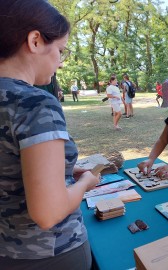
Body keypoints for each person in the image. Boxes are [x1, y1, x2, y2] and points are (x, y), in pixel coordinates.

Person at [0, 1, 101, 269]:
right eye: (60, 50)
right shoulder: (35, 103)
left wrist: (63, 172)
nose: (60, 61)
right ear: (35, 40)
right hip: (50, 253)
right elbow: (48, 213)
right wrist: (85, 184)